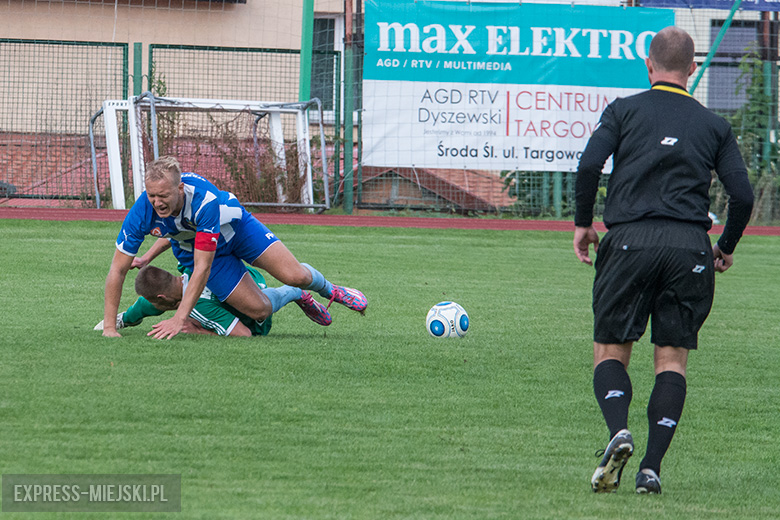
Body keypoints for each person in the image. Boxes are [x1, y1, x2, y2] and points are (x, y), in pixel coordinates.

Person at [573, 26, 754, 495]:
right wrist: (725, 246)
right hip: (689, 248)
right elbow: (742, 195)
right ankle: (650, 468)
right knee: (671, 360)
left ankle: (618, 431)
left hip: (629, 241)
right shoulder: (714, 125)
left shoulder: (623, 110)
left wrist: (582, 222)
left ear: (648, 66)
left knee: (611, 350)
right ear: (693, 70)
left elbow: (590, 165)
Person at [102, 156, 367, 340]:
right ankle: (295, 294)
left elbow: (202, 268)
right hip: (212, 254)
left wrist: (180, 318)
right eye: (151, 196)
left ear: (180, 188)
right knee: (260, 310)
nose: (157, 202)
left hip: (237, 231)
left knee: (296, 273)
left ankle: (331, 290)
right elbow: (118, 269)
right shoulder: (141, 212)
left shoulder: (204, 201)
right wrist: (110, 327)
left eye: (163, 196)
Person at [96, 261, 329, 336]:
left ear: (162, 296)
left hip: (254, 300)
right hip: (243, 273)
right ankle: (123, 319)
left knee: (264, 307)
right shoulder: (186, 265)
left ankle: (296, 292)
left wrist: (198, 331)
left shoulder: (201, 308)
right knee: (164, 303)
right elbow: (150, 302)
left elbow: (244, 335)